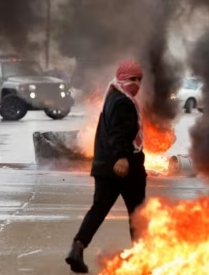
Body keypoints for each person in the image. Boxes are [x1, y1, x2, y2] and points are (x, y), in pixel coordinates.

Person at [66, 59, 147, 273]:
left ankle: (77, 247)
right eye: (132, 79)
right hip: (125, 168)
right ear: (122, 77)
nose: (136, 83)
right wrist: (122, 158)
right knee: (138, 213)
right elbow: (119, 133)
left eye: (139, 79)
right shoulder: (123, 102)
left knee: (99, 209)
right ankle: (141, 258)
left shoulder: (112, 96)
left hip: (104, 167)